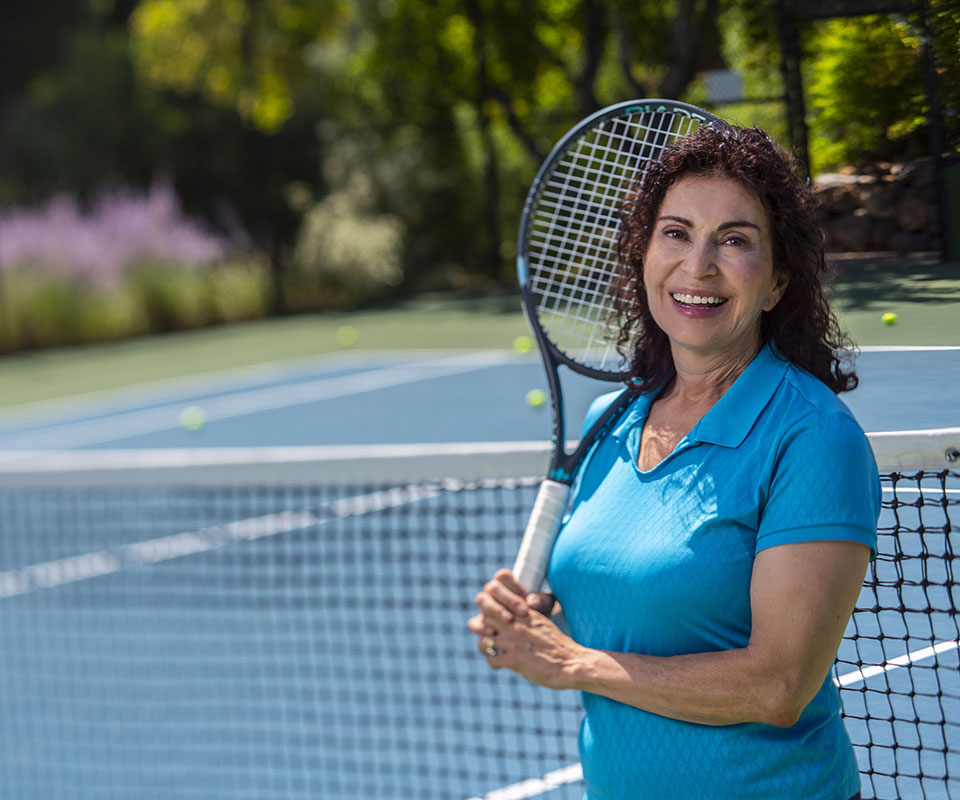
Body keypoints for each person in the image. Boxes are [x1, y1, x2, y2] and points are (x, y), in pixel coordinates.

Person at [468, 125, 880, 800]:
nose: (699, 265)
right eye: (676, 233)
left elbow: (778, 686)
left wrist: (574, 663)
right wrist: (537, 622)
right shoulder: (613, 426)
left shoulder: (812, 437)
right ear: (643, 256)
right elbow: (634, 606)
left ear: (777, 283)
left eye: (735, 240)